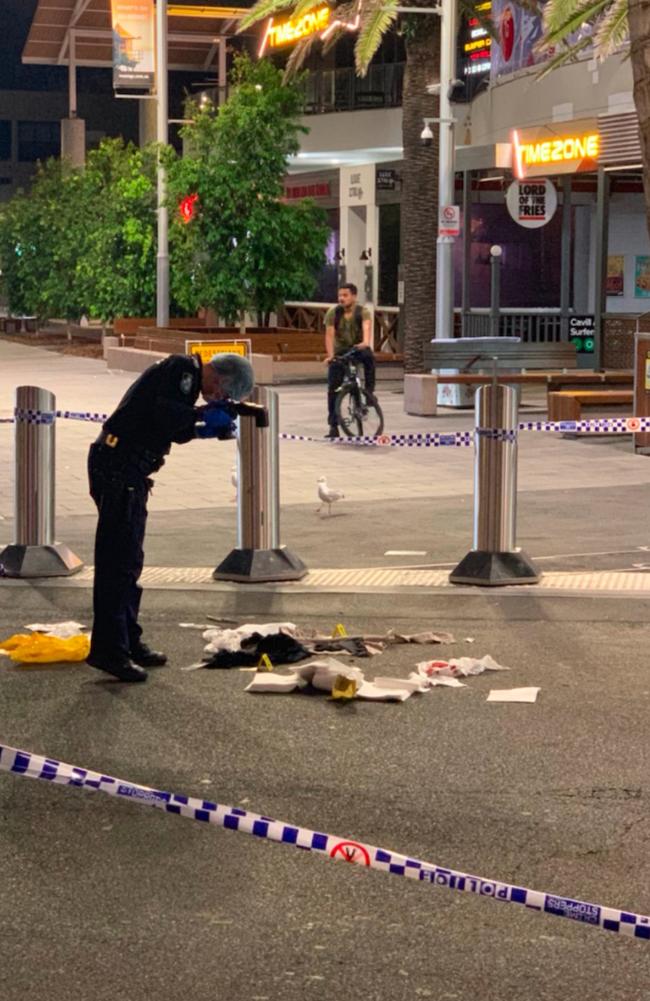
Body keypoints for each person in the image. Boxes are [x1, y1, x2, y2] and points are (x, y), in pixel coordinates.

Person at [87, 352, 254, 683]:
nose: (220, 398)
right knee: (117, 562)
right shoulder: (182, 369)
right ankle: (109, 650)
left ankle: (128, 640)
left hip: (129, 469)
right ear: (218, 377)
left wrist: (201, 426)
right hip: (118, 465)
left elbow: (172, 428)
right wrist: (201, 414)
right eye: (223, 393)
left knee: (130, 560)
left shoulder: (185, 384)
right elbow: (166, 415)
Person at [324, 283, 375, 438]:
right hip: (341, 351)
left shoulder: (363, 312)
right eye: (340, 295)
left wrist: (365, 342)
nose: (342, 298)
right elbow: (329, 335)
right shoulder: (333, 313)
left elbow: (367, 329)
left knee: (369, 356)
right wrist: (331, 355)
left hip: (357, 347)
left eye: (345, 295)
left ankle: (370, 393)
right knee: (333, 387)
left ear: (354, 296)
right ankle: (333, 426)